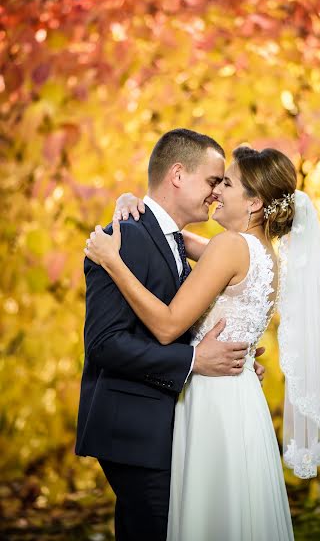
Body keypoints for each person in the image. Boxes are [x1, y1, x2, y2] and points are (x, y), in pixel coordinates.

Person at [86, 146, 320, 540]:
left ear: (254, 202)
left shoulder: (230, 247)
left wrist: (113, 261)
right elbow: (169, 237)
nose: (216, 192)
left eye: (226, 183)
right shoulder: (266, 255)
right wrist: (132, 202)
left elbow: (166, 326)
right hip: (240, 396)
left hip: (212, 398)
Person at [76, 129, 266, 541]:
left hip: (163, 426)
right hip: (131, 428)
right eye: (213, 181)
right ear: (177, 175)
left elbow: (184, 319)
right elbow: (105, 344)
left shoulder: (174, 240)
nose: (217, 194)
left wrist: (232, 352)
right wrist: (196, 360)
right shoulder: (125, 240)